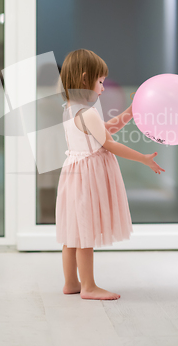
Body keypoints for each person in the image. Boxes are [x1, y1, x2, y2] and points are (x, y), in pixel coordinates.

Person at [56, 49, 165, 300]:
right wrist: (144, 159)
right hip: (87, 177)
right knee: (85, 235)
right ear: (85, 79)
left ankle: (71, 282)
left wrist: (131, 110)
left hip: (73, 172)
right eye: (101, 82)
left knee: (73, 232)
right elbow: (110, 143)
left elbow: (106, 129)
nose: (103, 88)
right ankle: (89, 287)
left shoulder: (71, 109)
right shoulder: (88, 112)